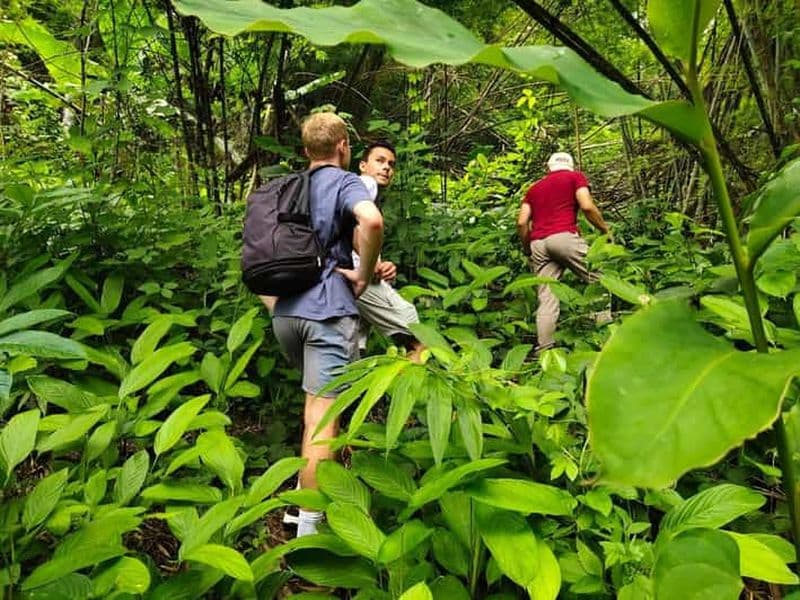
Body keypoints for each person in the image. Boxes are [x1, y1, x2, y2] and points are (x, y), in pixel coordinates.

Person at [268, 112, 384, 536]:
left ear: (304, 151)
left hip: (286, 314)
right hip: (328, 313)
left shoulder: (286, 187)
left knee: (313, 411)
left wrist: (274, 305)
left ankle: (300, 505)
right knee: (323, 419)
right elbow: (371, 220)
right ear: (343, 147)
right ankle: (310, 532)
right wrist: (364, 273)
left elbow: (255, 252)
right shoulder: (344, 181)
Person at [516, 152, 610, 353]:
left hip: (538, 244)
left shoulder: (533, 189)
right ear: (570, 166)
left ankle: (545, 351)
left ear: (548, 168)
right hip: (564, 237)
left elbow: (522, 222)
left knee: (547, 297)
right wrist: (605, 230)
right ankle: (605, 340)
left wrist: (527, 248)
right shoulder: (575, 177)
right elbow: (586, 205)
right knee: (600, 279)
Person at [351, 141, 425, 361]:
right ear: (363, 165)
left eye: (391, 165)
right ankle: (417, 390)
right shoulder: (362, 184)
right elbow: (353, 226)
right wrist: (371, 263)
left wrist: (382, 264)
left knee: (354, 346)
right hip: (357, 275)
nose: (387, 168)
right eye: (380, 161)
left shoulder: (362, 193)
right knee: (414, 331)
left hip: (341, 277)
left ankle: (358, 393)